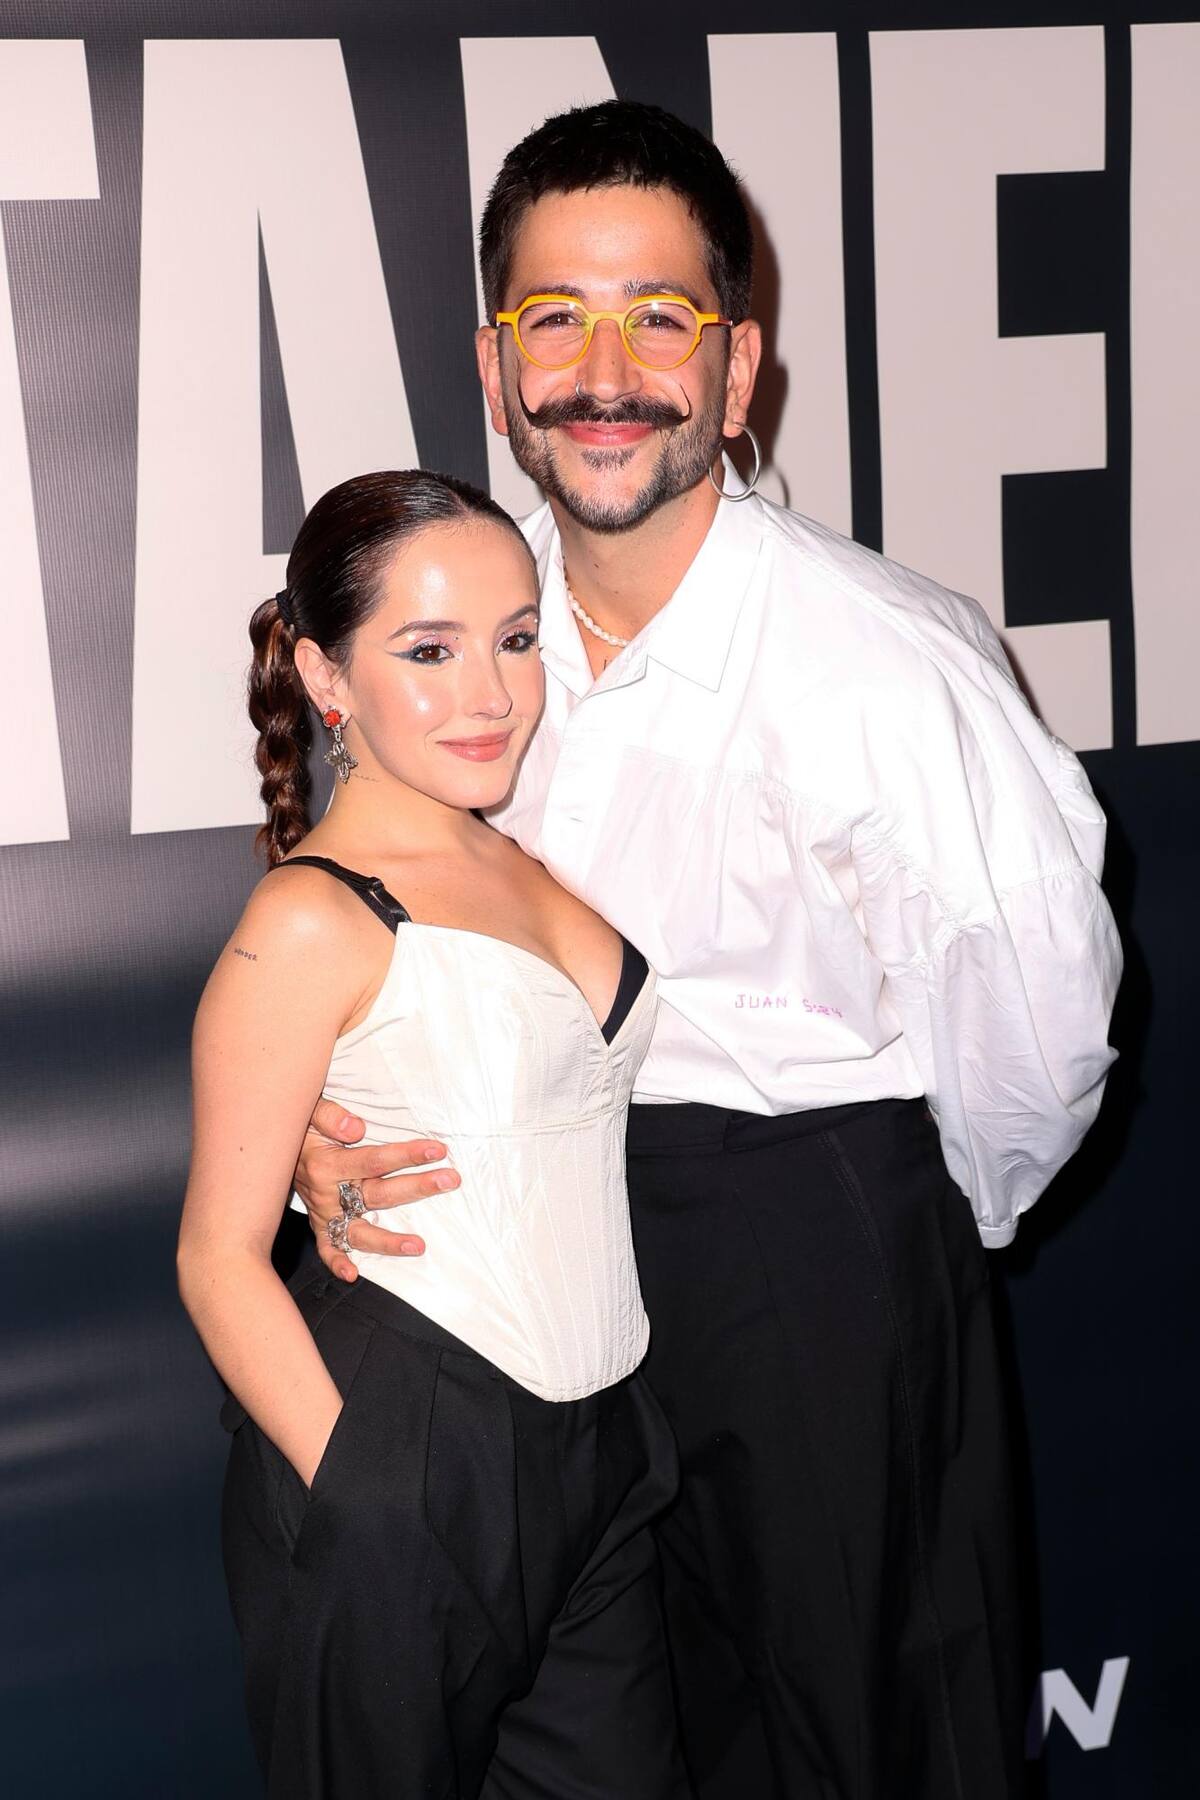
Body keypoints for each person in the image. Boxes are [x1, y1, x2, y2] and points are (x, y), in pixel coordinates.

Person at [292, 104, 1123, 1799]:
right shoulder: (448, 628)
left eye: (659, 316)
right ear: (494, 367)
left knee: (865, 1750)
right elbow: (354, 926)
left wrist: (877, 1261)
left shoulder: (885, 662)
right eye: (554, 318)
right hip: (515, 1266)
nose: (606, 373)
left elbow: (1038, 1046)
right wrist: (326, 1127)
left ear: (738, 369)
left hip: (806, 1267)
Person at [177, 468, 690, 1800]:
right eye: (429, 650)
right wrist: (366, 1489)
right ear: (324, 676)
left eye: (516, 638)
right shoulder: (308, 917)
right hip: (407, 1434)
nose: (492, 692)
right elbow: (217, 1258)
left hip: (605, 1450)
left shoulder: (525, 851)